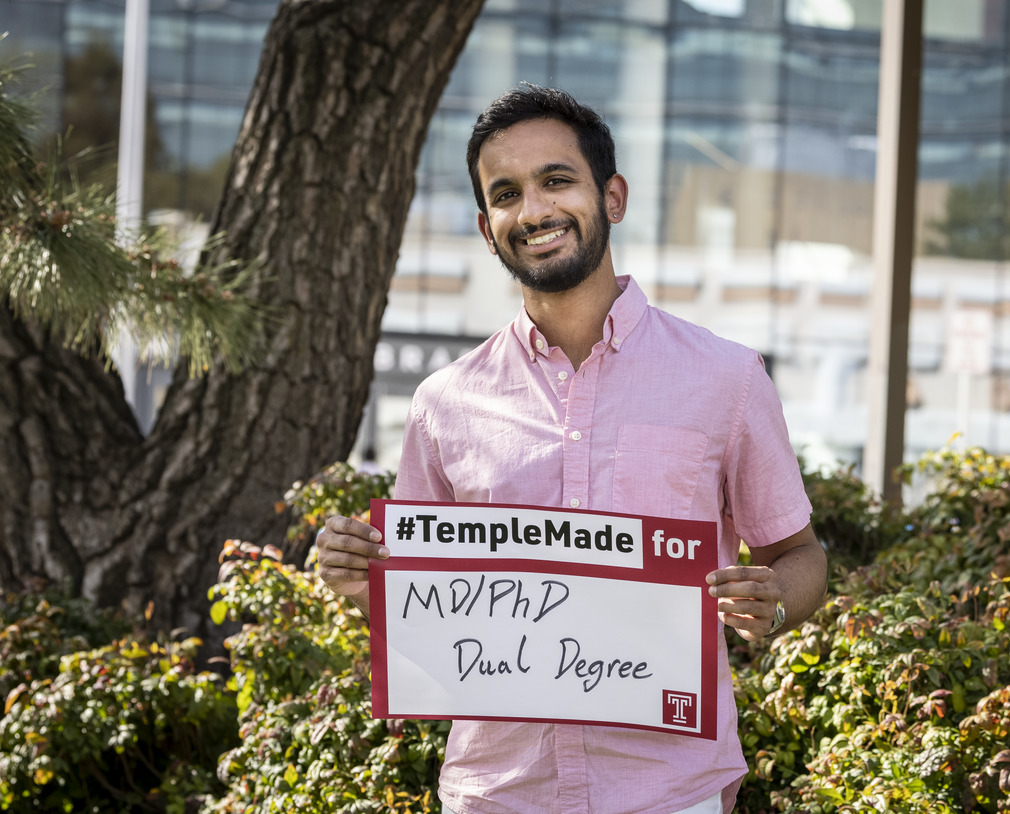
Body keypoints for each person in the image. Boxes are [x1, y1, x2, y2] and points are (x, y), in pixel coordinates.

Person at [317, 84, 827, 814]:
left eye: (556, 180)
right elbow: (423, 604)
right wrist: (360, 578)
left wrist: (775, 602)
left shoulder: (726, 380)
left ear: (611, 197)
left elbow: (800, 553)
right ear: (487, 228)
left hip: (668, 794)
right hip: (496, 795)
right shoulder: (444, 404)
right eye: (506, 194)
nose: (534, 210)